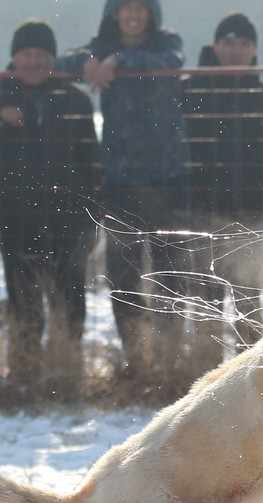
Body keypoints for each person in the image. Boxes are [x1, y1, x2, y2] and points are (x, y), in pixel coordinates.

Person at [55, 0, 190, 396]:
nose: (133, 14)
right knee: (124, 275)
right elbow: (63, 61)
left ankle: (170, 363)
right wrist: (87, 64)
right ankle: (135, 362)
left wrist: (117, 60)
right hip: (119, 180)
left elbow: (170, 61)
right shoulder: (98, 46)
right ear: (114, 13)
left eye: (140, 7)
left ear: (151, 13)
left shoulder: (168, 42)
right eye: (124, 7)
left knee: (171, 275)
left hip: (169, 177)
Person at [0, 19, 99, 399]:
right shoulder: (2, 94)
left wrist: (94, 214)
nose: (33, 61)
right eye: (26, 53)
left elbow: (91, 160)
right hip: (13, 217)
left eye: (41, 54)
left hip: (67, 217)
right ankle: (24, 373)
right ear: (13, 57)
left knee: (70, 298)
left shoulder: (76, 100)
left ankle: (66, 370)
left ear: (52, 57)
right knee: (23, 300)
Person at [183, 12, 263, 372]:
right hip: (201, 207)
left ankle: (248, 372)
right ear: (215, 47)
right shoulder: (191, 90)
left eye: (242, 43)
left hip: (250, 207)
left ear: (254, 49)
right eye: (228, 43)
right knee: (205, 294)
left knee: (249, 295)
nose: (235, 50)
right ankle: (204, 371)